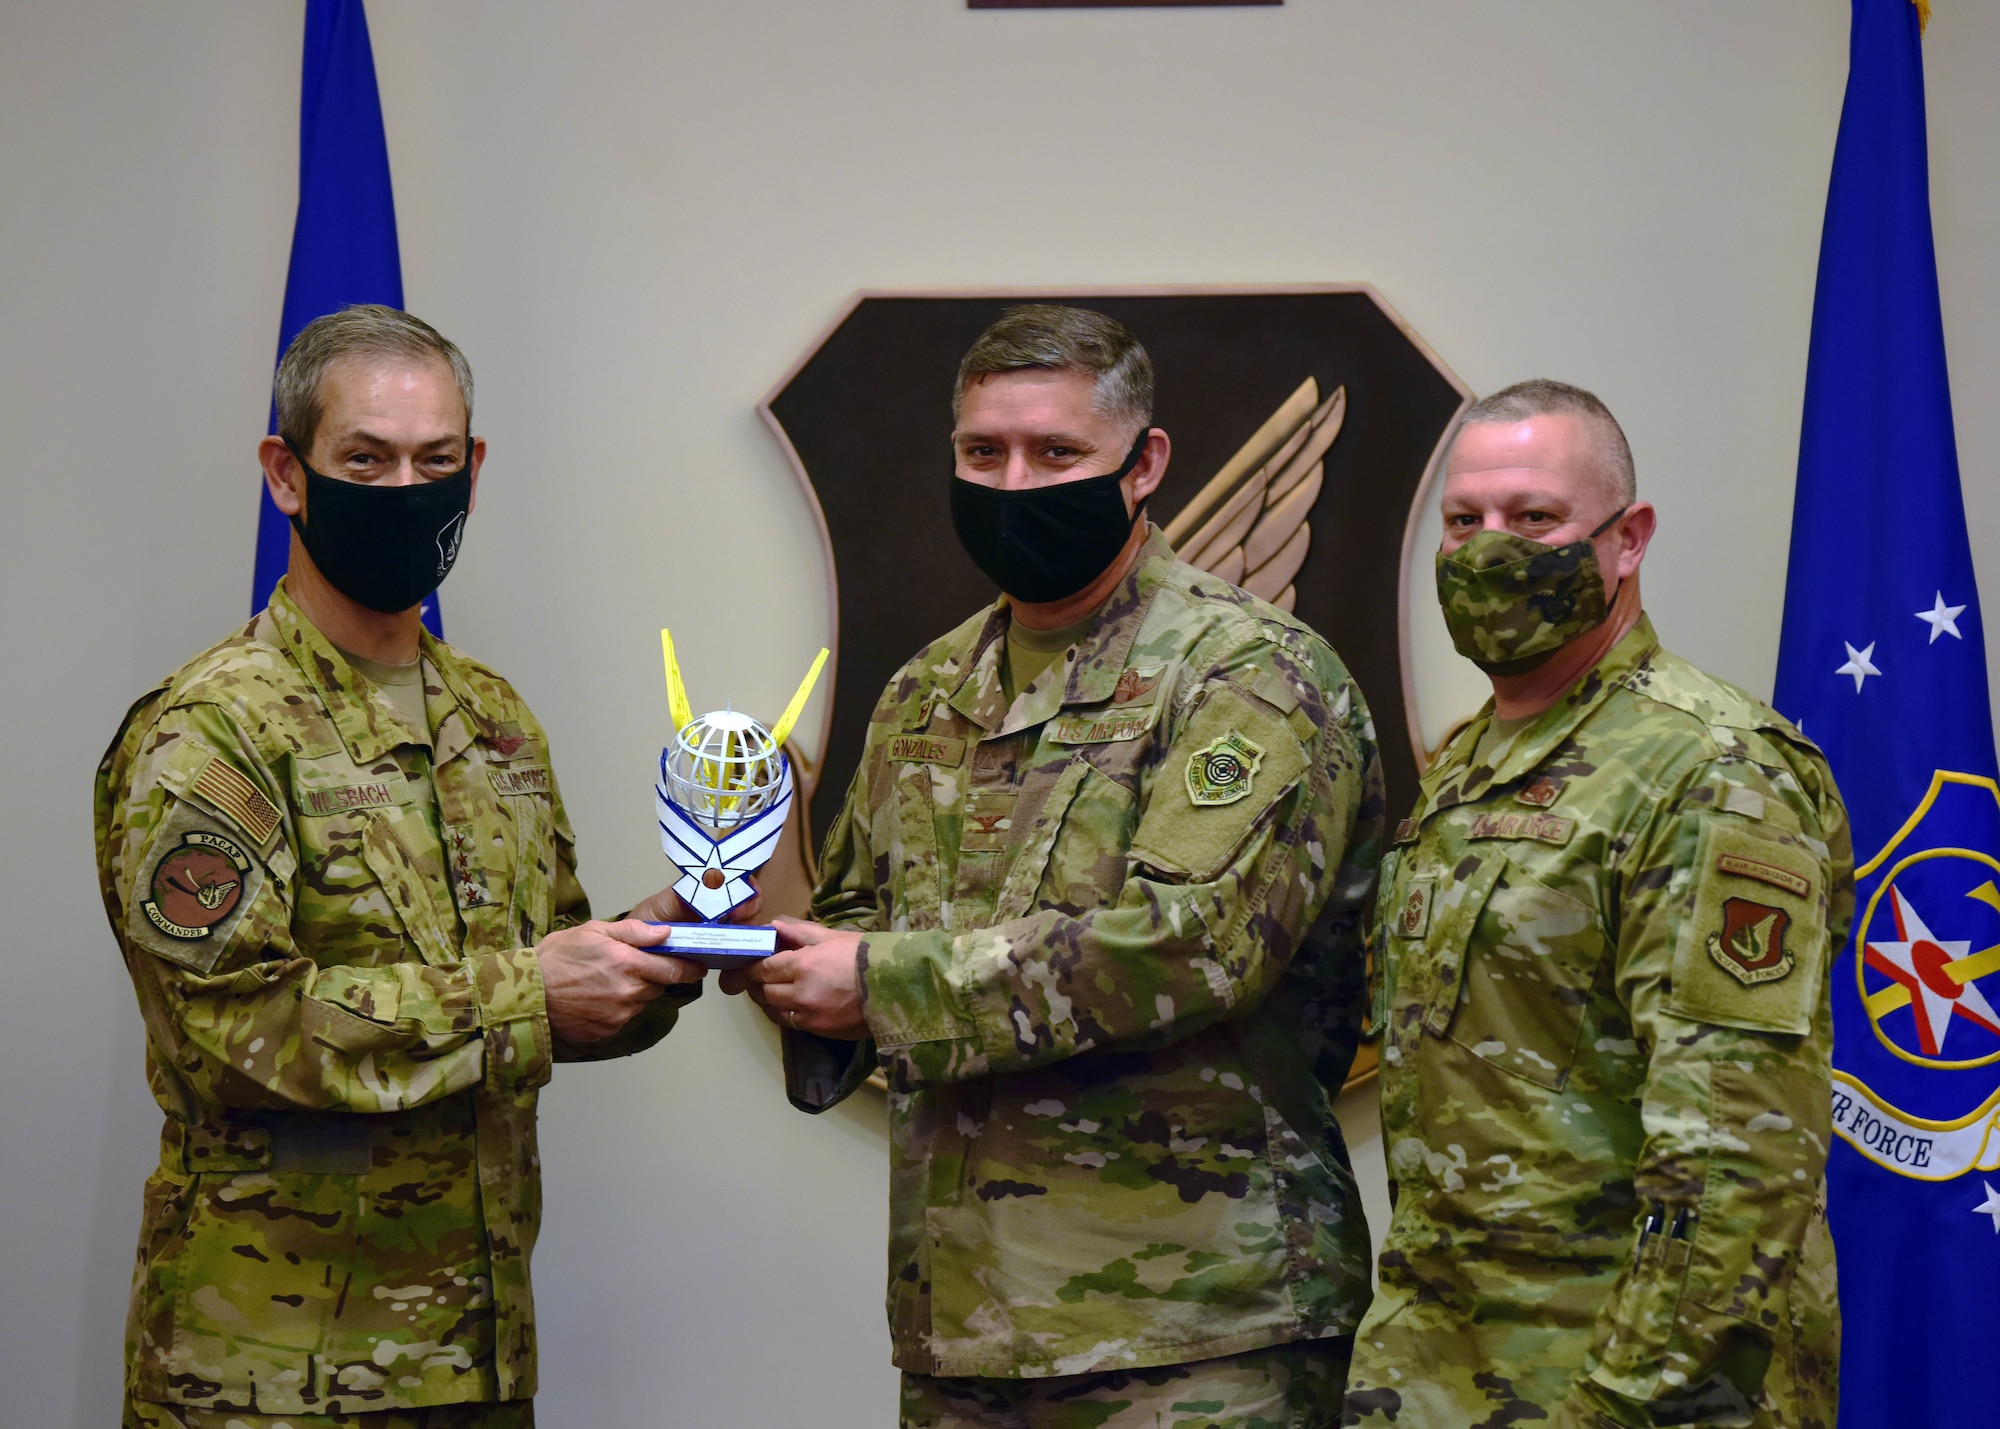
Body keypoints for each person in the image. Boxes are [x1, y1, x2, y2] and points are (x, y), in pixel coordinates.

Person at [723, 305, 1384, 1427]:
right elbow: (839, 935)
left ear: (1143, 465)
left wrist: (877, 980)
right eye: (984, 453)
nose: (1014, 484)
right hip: (966, 1325)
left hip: (1199, 1331)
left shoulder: (1250, 674)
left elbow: (1188, 949)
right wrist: (734, 896)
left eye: (1055, 453)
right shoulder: (927, 693)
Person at [95, 305, 712, 1429]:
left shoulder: (494, 718)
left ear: (472, 471)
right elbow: (229, 1034)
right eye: (365, 460)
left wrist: (662, 943)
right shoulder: (214, 732)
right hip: (268, 1377)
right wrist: (533, 988)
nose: (404, 489)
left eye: (435, 461)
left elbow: (548, 989)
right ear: (288, 474)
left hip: (473, 1360)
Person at [1340, 381, 1848, 1429]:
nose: (1488, 550)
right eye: (1463, 520)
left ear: (1627, 540)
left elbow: (1734, 1156)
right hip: (1447, 1371)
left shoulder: (1709, 771)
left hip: (1621, 1389)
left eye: (1533, 519)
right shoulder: (1473, 763)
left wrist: (1617, 1406)